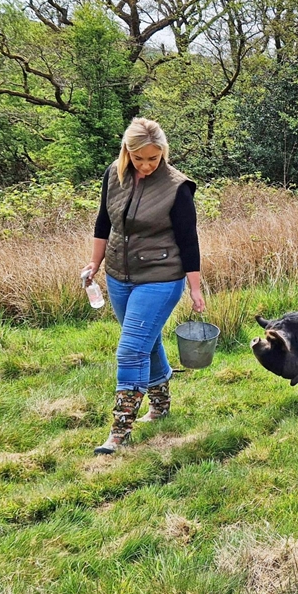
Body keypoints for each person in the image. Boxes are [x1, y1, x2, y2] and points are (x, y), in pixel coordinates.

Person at [82, 118, 206, 455]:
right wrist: (95, 263)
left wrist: (195, 288)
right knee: (144, 342)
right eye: (139, 158)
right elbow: (104, 221)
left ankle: (119, 431)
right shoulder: (114, 174)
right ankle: (161, 406)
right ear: (127, 151)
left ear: (163, 151)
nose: (147, 165)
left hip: (161, 277)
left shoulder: (177, 187)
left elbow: (189, 240)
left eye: (153, 158)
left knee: (130, 350)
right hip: (119, 276)